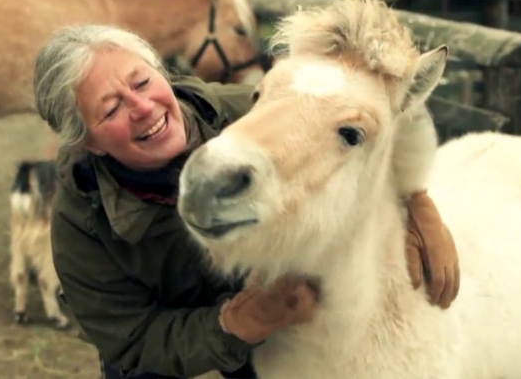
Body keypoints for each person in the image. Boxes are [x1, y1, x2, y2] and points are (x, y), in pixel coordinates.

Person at [33, 24, 460, 379]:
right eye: (111, 110)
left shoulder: (246, 110)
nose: (143, 107)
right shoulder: (82, 225)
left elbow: (363, 116)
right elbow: (131, 341)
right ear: (91, 144)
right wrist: (238, 324)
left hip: (262, 300)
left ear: (160, 72)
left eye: (143, 81)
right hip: (187, 323)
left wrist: (418, 199)